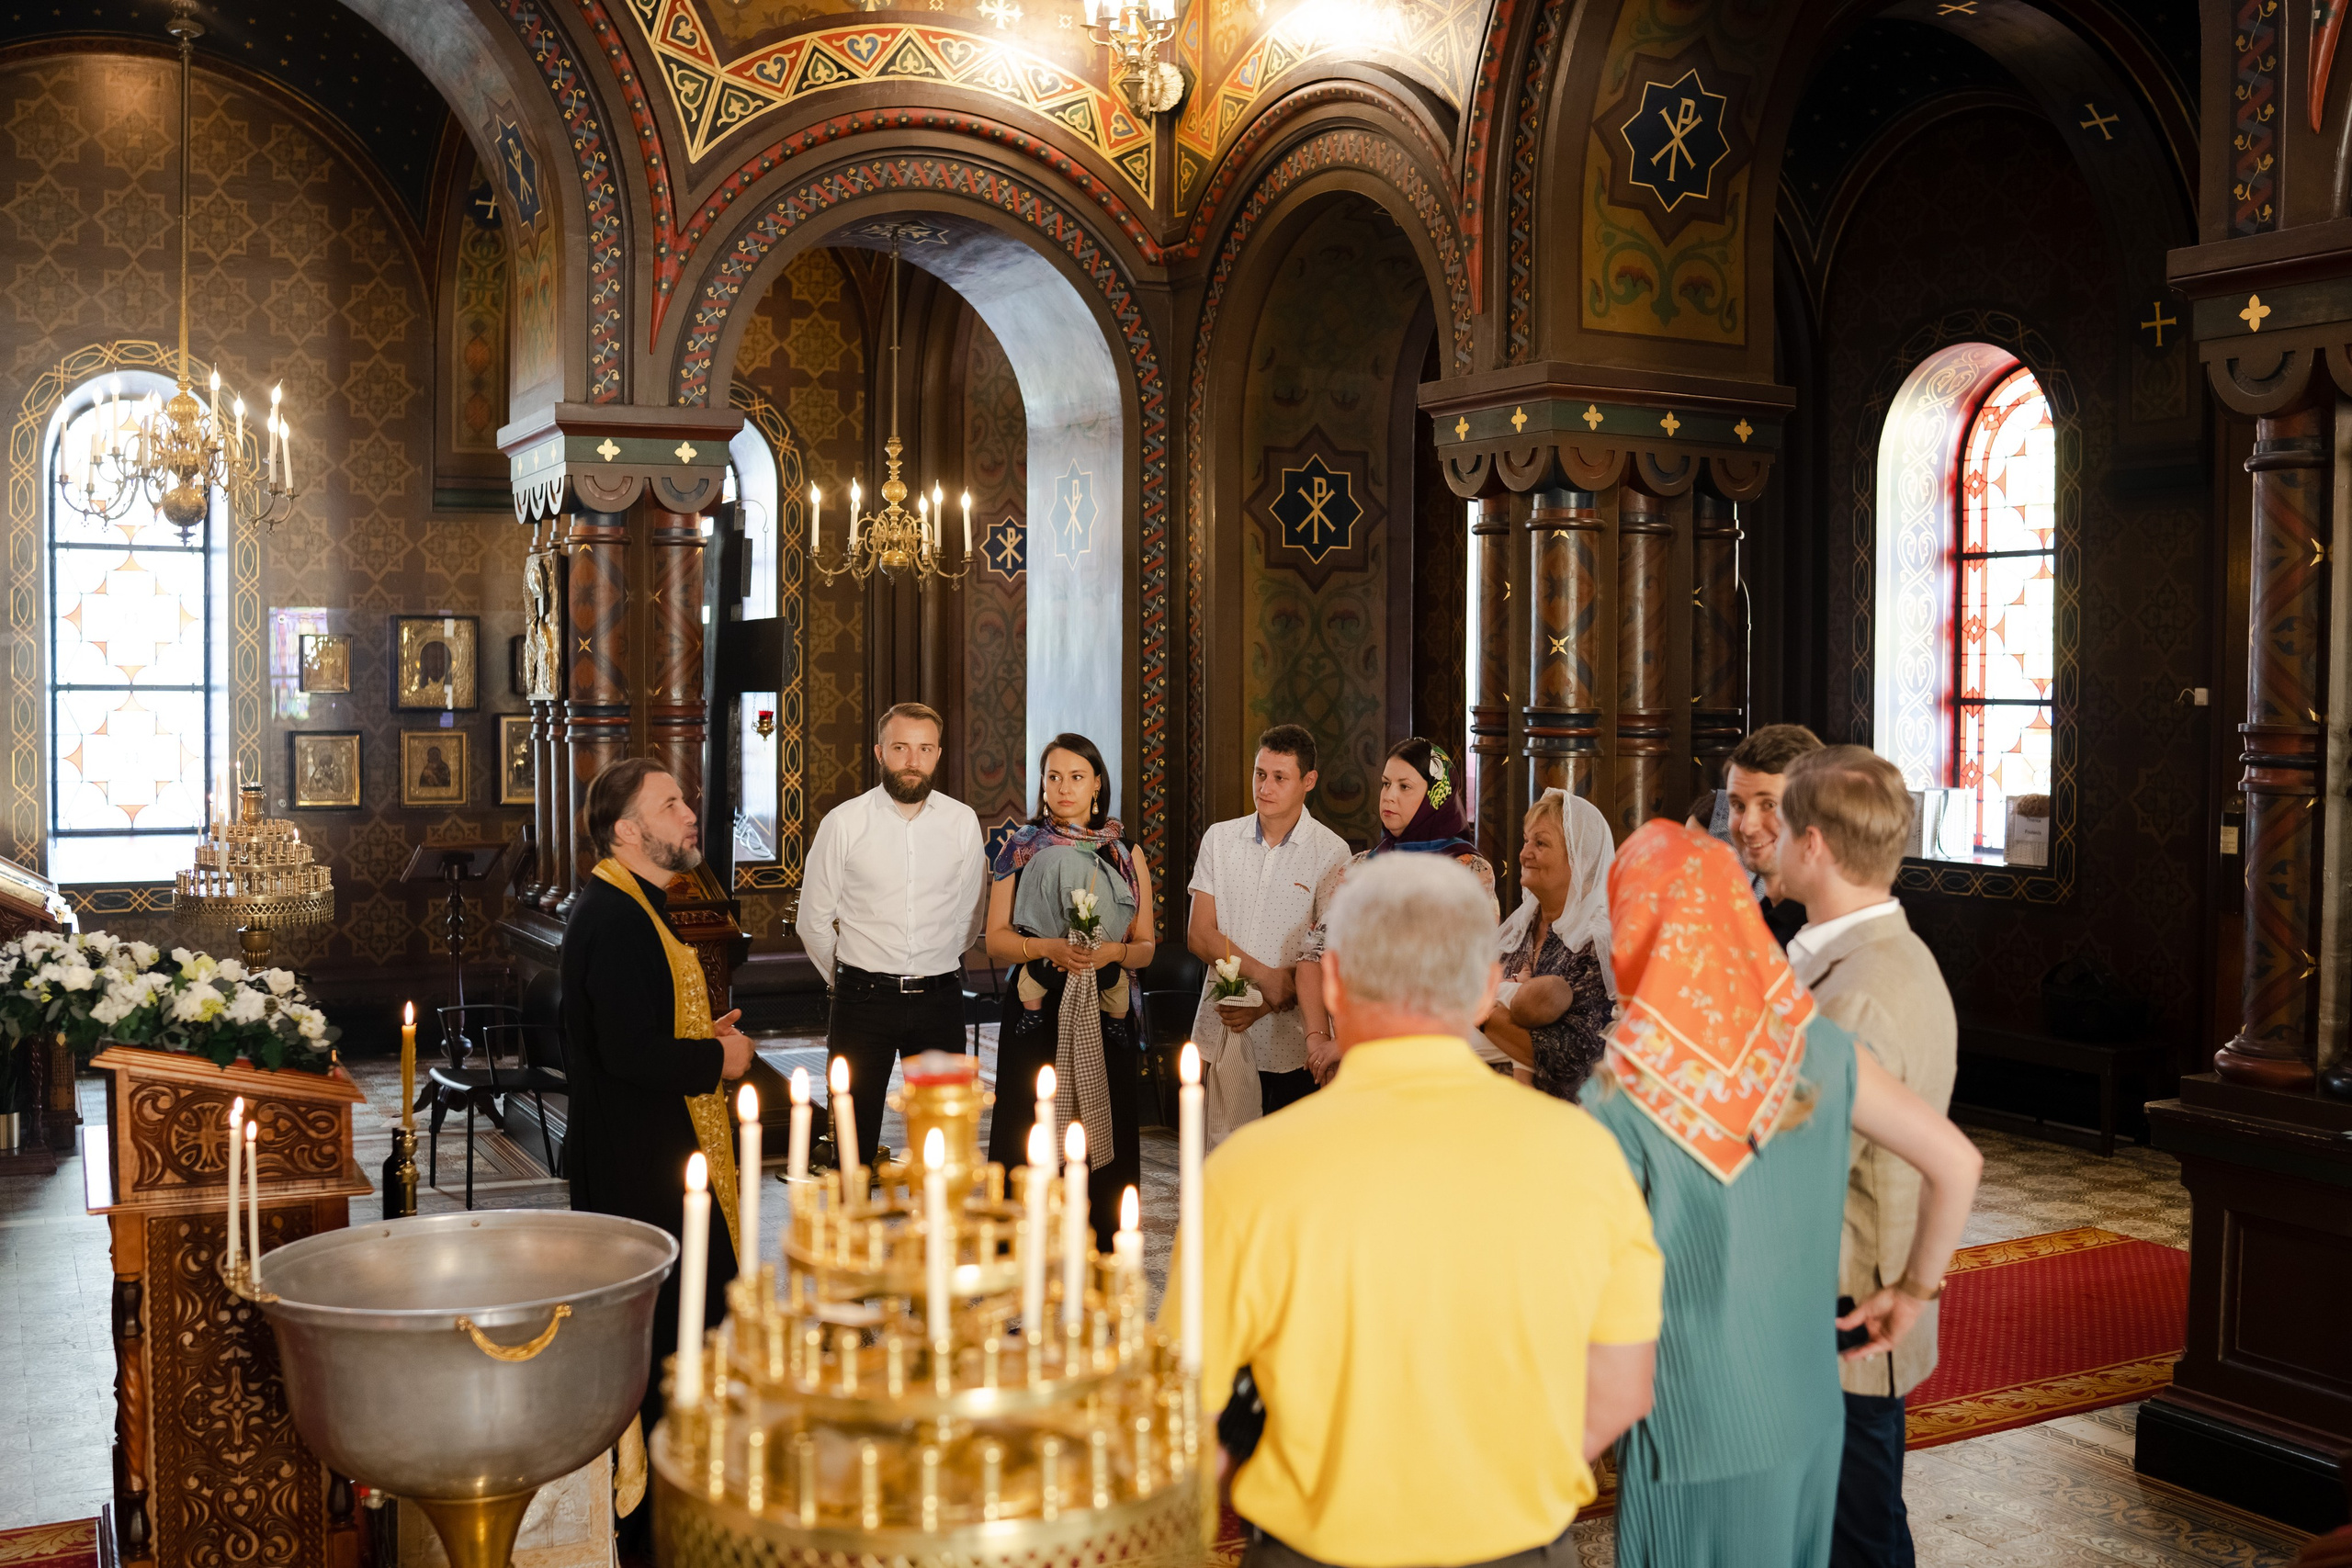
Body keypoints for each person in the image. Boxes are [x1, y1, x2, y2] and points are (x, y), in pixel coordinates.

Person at [1180, 853, 1662, 1568]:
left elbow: (1189, 1411)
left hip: (1312, 1546)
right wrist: (1503, 1483)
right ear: (1486, 989)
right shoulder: (1588, 1157)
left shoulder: (1245, 1173)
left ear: (1333, 980)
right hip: (1516, 1543)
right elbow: (1623, 1387)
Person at [1582, 819, 1980, 1568]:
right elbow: (1957, 1162)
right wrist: (1913, 1292)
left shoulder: (1620, 1100)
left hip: (1689, 1428)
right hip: (1809, 1405)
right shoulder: (1821, 1046)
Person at [558, 757, 756, 1553]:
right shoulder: (613, 916)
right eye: (670, 803)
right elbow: (628, 1051)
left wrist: (701, 1035)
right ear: (628, 831)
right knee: (669, 1349)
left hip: (657, 1155)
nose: (688, 812)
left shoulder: (635, 901)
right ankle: (661, 1533)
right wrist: (718, 1060)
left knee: (692, 1335)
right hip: (640, 1175)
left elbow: (640, 1027)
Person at [1776, 747, 1959, 1568]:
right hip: (1840, 1304)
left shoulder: (1859, 993)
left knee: (1856, 1541)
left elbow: (1788, 1171)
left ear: (1812, 844)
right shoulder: (1869, 955)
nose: (1766, 841)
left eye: (1780, 823)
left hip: (1842, 1314)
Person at [982, 731, 1155, 1250]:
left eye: (1076, 777)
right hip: (1035, 1007)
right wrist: (1047, 947)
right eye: (1053, 777)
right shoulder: (1020, 846)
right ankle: (1018, 1249)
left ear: (1097, 784)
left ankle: (1103, 1247)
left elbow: (1146, 947)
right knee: (1026, 1124)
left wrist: (1112, 953)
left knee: (1106, 1128)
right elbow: (995, 939)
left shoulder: (1126, 852)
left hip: (1105, 1005)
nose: (1063, 788)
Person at [797, 702, 988, 1168]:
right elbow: (813, 920)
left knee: (942, 1143)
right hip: (862, 1001)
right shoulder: (844, 822)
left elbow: (969, 915)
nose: (912, 761)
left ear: (938, 754)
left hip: (940, 999)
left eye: (924, 749)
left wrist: (931, 961)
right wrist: (848, 978)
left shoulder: (961, 821)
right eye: (901, 748)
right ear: (880, 752)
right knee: (852, 1143)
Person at [1295, 738, 1496, 1083]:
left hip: (1429, 1059)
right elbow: (1312, 954)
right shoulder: (1360, 866)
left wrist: (1350, 1042)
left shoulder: (1467, 870)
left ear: (1436, 796)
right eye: (1386, 784)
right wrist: (1319, 1043)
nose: (1389, 796)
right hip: (1348, 1060)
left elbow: (1456, 973)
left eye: (1405, 786)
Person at [1186, 724, 1352, 1143]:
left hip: (1294, 1042)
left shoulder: (1333, 852)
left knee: (1285, 1165)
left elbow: (1327, 954)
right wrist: (1263, 979)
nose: (1265, 787)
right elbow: (1200, 935)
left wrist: (1261, 1005)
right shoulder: (1220, 839)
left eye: (1280, 777)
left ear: (1308, 781)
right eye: (1260, 774)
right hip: (1222, 1027)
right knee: (1222, 1162)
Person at [1480, 789, 1617, 1100]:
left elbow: (1572, 1060)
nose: (1524, 854)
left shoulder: (1596, 944)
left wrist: (1479, 1012)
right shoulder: (1519, 931)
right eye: (1526, 840)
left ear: (1580, 861)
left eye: (1540, 843)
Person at [1724, 723, 1824, 948]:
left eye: (1769, 805)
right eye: (1738, 805)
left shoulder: (1823, 931)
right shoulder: (1756, 919)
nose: (1747, 827)